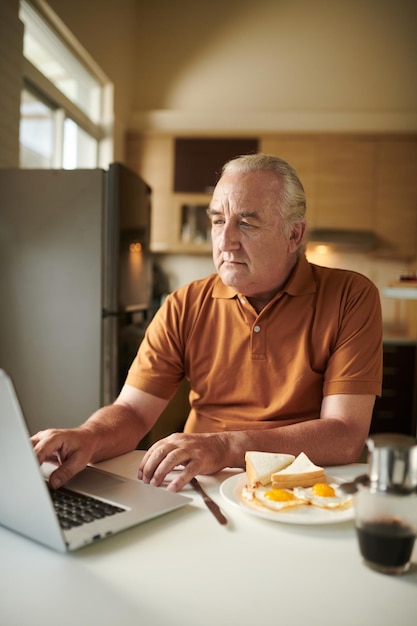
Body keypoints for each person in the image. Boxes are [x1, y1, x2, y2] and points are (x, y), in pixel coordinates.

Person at [32, 153, 383, 492]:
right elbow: (132, 412)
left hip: (299, 488)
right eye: (218, 221)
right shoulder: (184, 304)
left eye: (246, 222)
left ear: (294, 235)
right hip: (201, 484)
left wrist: (226, 446)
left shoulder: (350, 296)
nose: (226, 240)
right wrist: (89, 437)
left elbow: (346, 435)